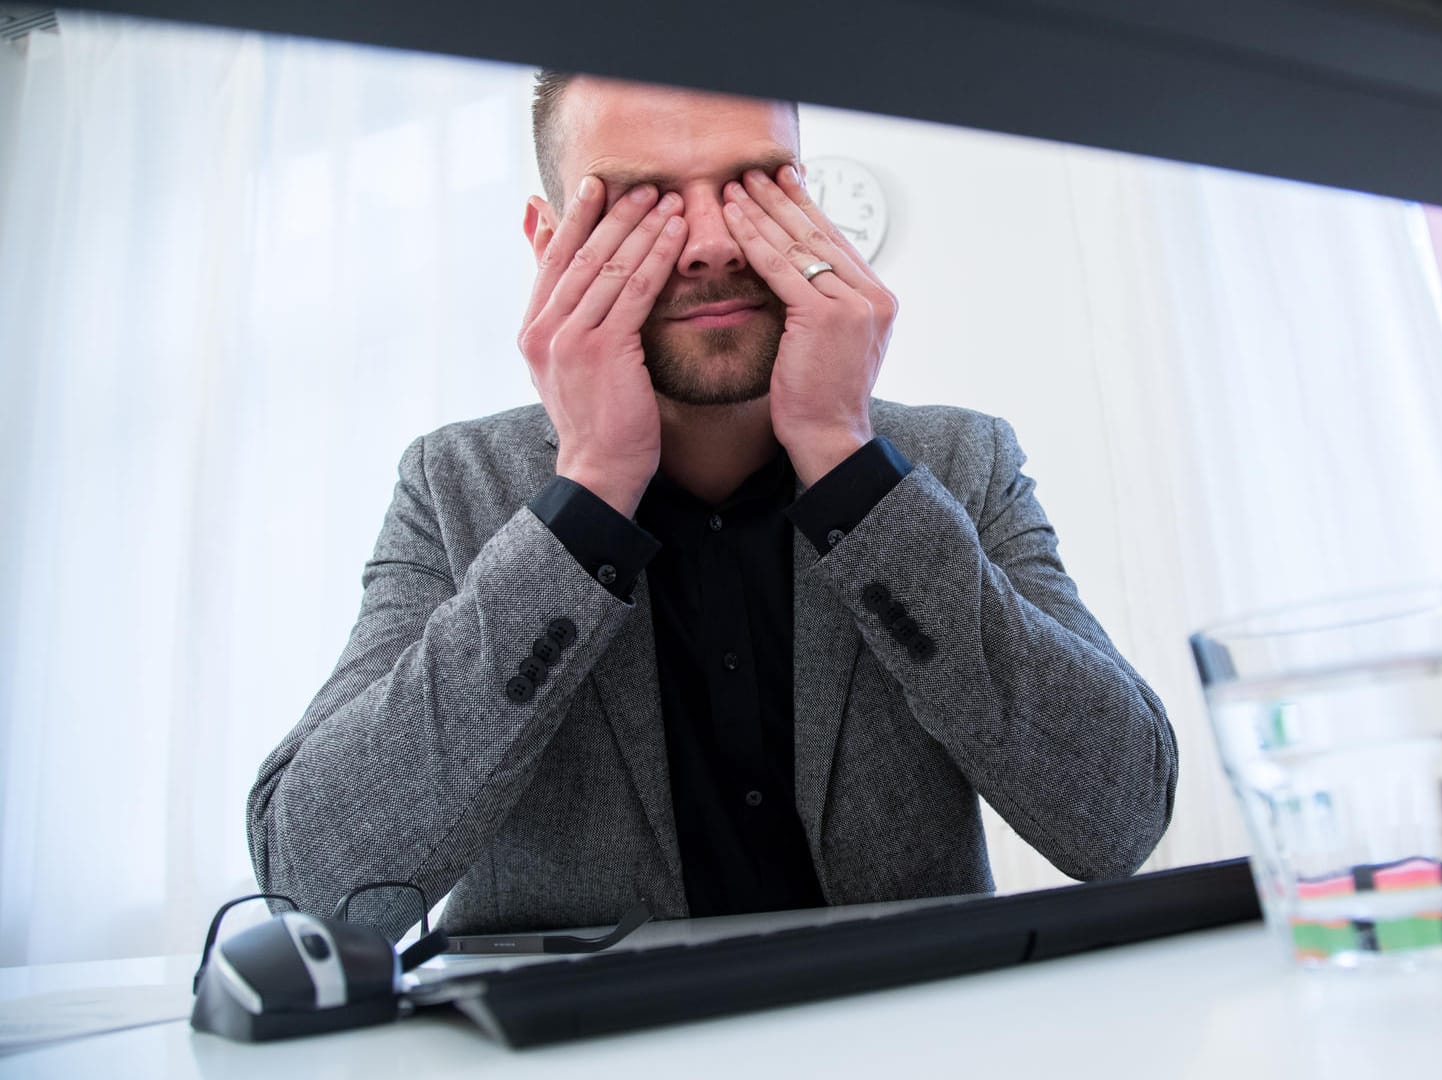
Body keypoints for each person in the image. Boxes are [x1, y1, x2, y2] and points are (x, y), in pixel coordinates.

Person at [247, 73, 1177, 937]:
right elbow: (314, 883)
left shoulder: (959, 462)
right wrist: (590, 495)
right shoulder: (454, 484)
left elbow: (1119, 819)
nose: (711, 244)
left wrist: (851, 469)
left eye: (753, 186)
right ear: (548, 244)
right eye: (639, 202)